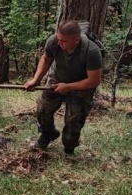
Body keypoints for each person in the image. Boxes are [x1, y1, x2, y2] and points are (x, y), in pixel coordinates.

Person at [24, 20, 103, 155]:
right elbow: (46, 58)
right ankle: (47, 135)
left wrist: (68, 87)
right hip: (57, 78)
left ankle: (69, 148)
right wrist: (36, 79)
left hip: (81, 85)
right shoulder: (54, 41)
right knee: (43, 109)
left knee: (74, 120)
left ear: (76, 40)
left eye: (64, 41)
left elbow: (94, 80)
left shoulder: (91, 51)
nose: (60, 43)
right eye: (59, 39)